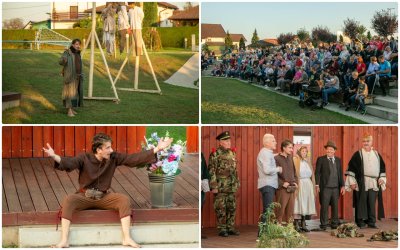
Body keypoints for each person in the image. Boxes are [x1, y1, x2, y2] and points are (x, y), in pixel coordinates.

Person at [43, 133, 173, 248]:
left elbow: (133, 159)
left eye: (111, 147)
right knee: (69, 200)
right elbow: (69, 163)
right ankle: (64, 240)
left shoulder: (114, 157)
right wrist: (54, 156)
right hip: (84, 196)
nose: (111, 150)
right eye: (108, 148)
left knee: (123, 200)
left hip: (104, 197)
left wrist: (157, 149)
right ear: (99, 149)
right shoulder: (84, 158)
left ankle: (126, 238)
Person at [345, 134, 386, 229]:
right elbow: (351, 168)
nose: (366, 143)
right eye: (364, 141)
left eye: (368, 141)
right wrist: (352, 182)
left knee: (372, 202)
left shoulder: (376, 154)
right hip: (361, 181)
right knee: (361, 201)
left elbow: (382, 168)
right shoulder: (358, 154)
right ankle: (360, 221)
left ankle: (371, 221)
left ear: (371, 142)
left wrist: (381, 178)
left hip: (373, 182)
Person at [208, 131, 240, 237]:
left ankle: (230, 227)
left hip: (231, 186)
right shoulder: (215, 154)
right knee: (221, 208)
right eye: (226, 140)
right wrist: (213, 186)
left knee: (232, 207)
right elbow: (211, 171)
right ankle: (222, 229)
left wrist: (237, 183)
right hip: (221, 186)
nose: (229, 142)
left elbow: (235, 170)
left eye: (229, 140)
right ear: (221, 142)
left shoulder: (232, 153)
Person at [315, 140, 345, 230]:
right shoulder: (321, 159)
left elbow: (340, 173)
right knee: (324, 206)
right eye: (328, 149)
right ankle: (324, 224)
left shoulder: (338, 160)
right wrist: (317, 185)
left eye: (331, 149)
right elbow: (317, 173)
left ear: (334, 150)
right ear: (326, 150)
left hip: (336, 187)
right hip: (325, 187)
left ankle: (334, 224)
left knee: (335, 206)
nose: (329, 151)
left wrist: (342, 186)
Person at [257, 134, 282, 236]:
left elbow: (269, 157)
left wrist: (276, 154)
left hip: (268, 185)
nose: (275, 142)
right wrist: (278, 169)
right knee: (267, 210)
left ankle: (265, 233)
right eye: (273, 141)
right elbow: (267, 170)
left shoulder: (267, 152)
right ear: (267, 143)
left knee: (268, 209)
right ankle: (262, 234)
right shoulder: (265, 153)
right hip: (268, 185)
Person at [274, 139, 298, 225]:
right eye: (290, 148)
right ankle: (277, 229)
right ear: (284, 148)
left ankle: (290, 231)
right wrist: (282, 183)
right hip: (282, 189)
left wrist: (295, 182)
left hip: (292, 189)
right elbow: (273, 174)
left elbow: (294, 172)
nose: (292, 150)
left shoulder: (291, 158)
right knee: (280, 211)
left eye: (292, 148)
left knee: (290, 211)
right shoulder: (276, 158)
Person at [293, 146, 316, 232]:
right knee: (298, 203)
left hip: (308, 184)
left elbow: (312, 174)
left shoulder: (307, 162)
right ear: (299, 152)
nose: (304, 153)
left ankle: (303, 223)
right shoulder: (296, 160)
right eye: (303, 151)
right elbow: (295, 172)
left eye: (306, 152)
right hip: (300, 183)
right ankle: (296, 224)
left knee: (306, 203)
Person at [59, 39, 83, 117]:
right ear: (72, 45)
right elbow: (60, 62)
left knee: (75, 94)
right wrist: (64, 59)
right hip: (70, 76)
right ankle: (69, 111)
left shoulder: (77, 53)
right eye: (76, 44)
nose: (78, 46)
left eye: (79, 44)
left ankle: (72, 108)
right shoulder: (67, 52)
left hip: (77, 76)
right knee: (69, 94)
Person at [201, 153, 210, 239]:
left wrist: (205, 182)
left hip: (201, 184)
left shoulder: (201, 155)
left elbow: (205, 169)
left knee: (202, 204)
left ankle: (199, 230)